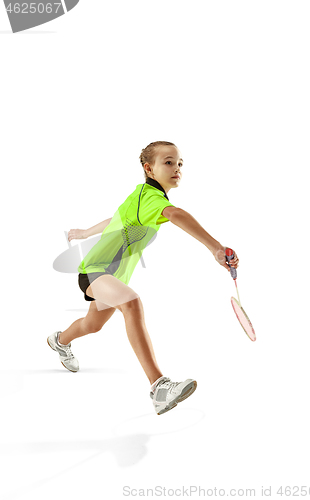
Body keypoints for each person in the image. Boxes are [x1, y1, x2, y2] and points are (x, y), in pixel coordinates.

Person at [47, 141, 239, 415]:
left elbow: (117, 218)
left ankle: (60, 340)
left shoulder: (141, 198)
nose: (177, 168)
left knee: (92, 324)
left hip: (114, 275)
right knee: (132, 303)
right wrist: (216, 248)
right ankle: (159, 386)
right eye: (169, 162)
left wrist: (86, 232)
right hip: (95, 269)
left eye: (180, 163)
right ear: (149, 169)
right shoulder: (151, 198)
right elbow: (176, 214)